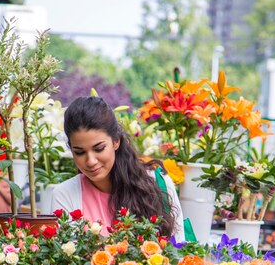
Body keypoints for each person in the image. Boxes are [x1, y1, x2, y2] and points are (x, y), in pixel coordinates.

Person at [50, 96, 185, 241]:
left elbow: (179, 248)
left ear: (116, 141)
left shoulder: (157, 182)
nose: (90, 161)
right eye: (80, 152)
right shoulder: (64, 195)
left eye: (99, 148)